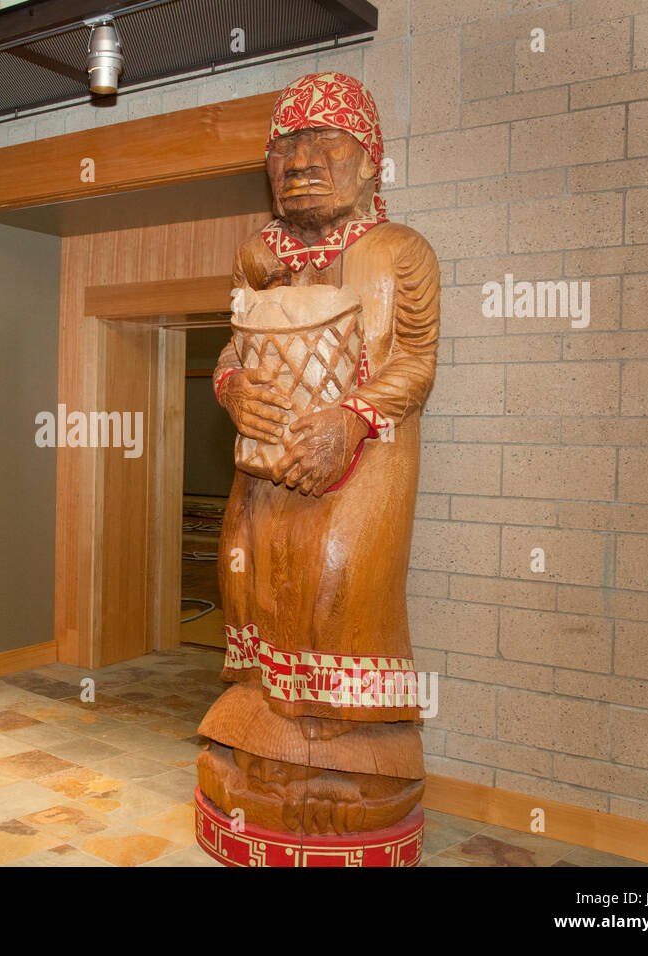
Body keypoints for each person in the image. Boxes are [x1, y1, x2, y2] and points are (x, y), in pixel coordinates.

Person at [198, 72, 440, 837]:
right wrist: (234, 391)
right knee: (248, 572)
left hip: (364, 457)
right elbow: (229, 352)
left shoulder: (400, 252)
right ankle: (268, 715)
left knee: (337, 582)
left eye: (323, 140)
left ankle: (339, 743)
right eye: (284, 146)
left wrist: (351, 419)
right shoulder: (255, 257)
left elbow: (416, 362)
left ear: (369, 159)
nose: (299, 160)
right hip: (263, 464)